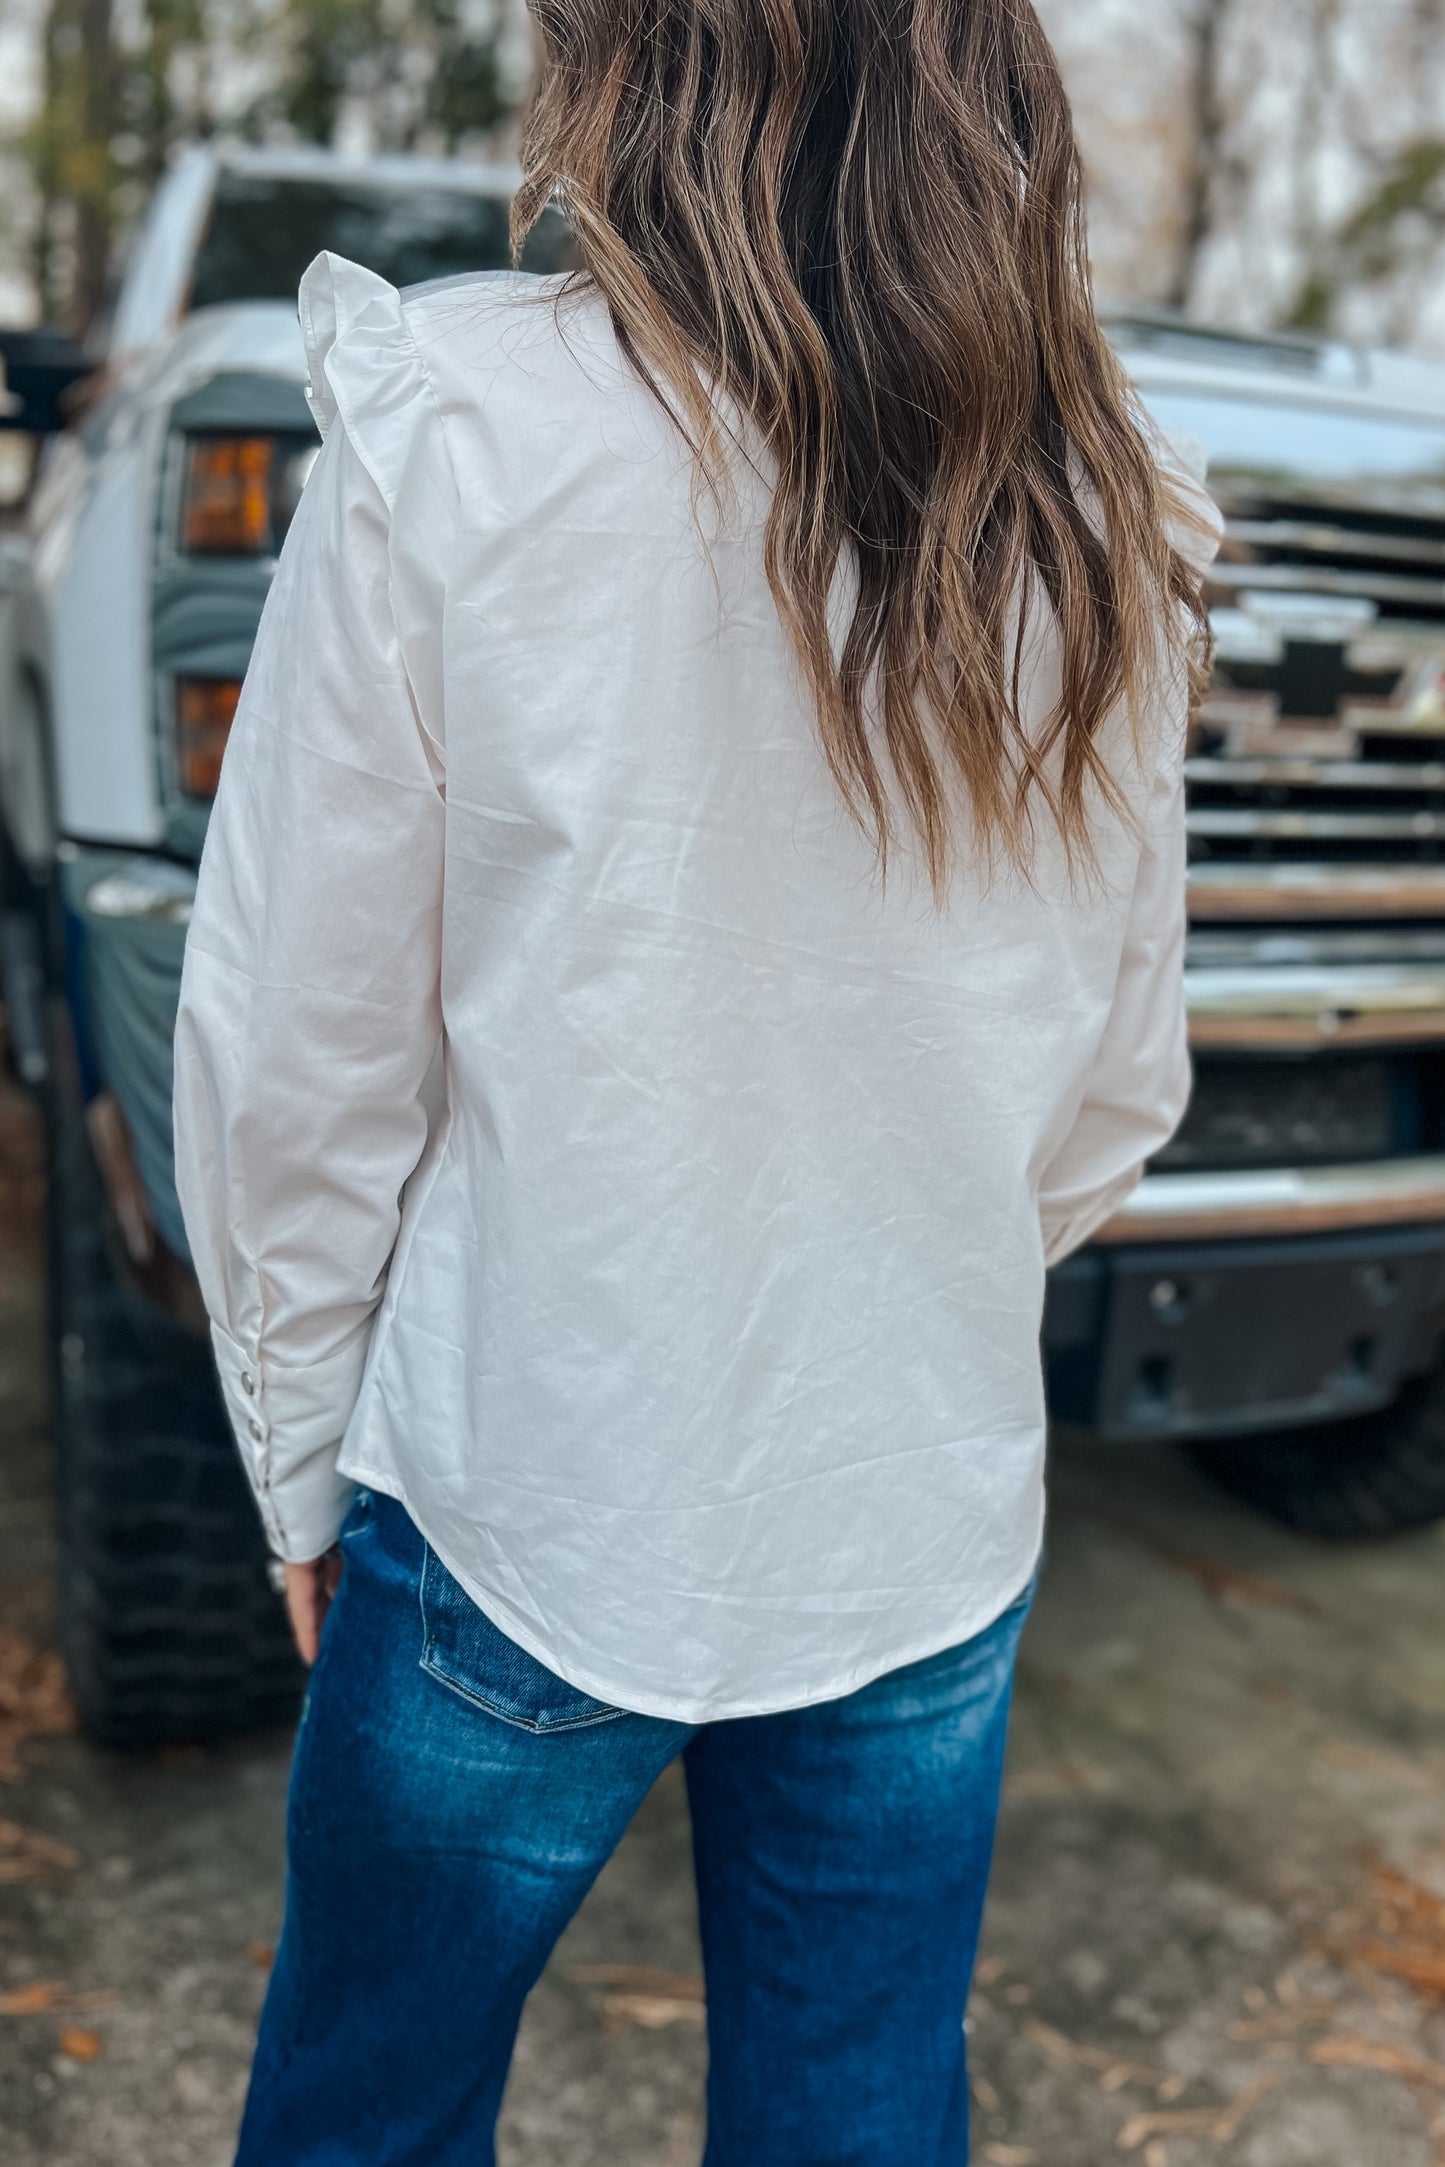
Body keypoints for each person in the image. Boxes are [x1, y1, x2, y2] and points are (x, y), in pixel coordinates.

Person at [172, 2, 1219, 2159]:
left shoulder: (459, 430)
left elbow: (303, 1047)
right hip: (918, 1506)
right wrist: (896, 1263)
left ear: (630, 63)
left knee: (367, 2112)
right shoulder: (1103, 508)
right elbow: (1114, 1083)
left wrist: (297, 1446)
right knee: (856, 2111)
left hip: (526, 1491)